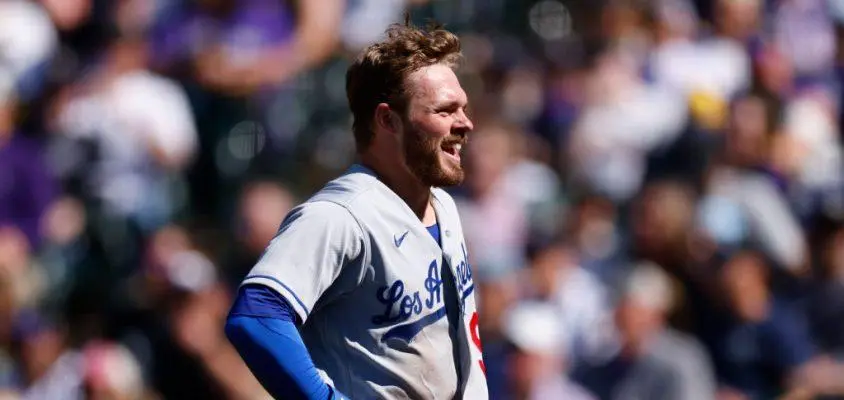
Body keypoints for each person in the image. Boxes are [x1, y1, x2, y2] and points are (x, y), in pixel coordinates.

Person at [224, 19, 488, 399]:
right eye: (445, 110)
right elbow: (257, 316)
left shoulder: (442, 204)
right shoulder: (341, 214)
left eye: (462, 107)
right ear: (387, 120)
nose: (466, 123)